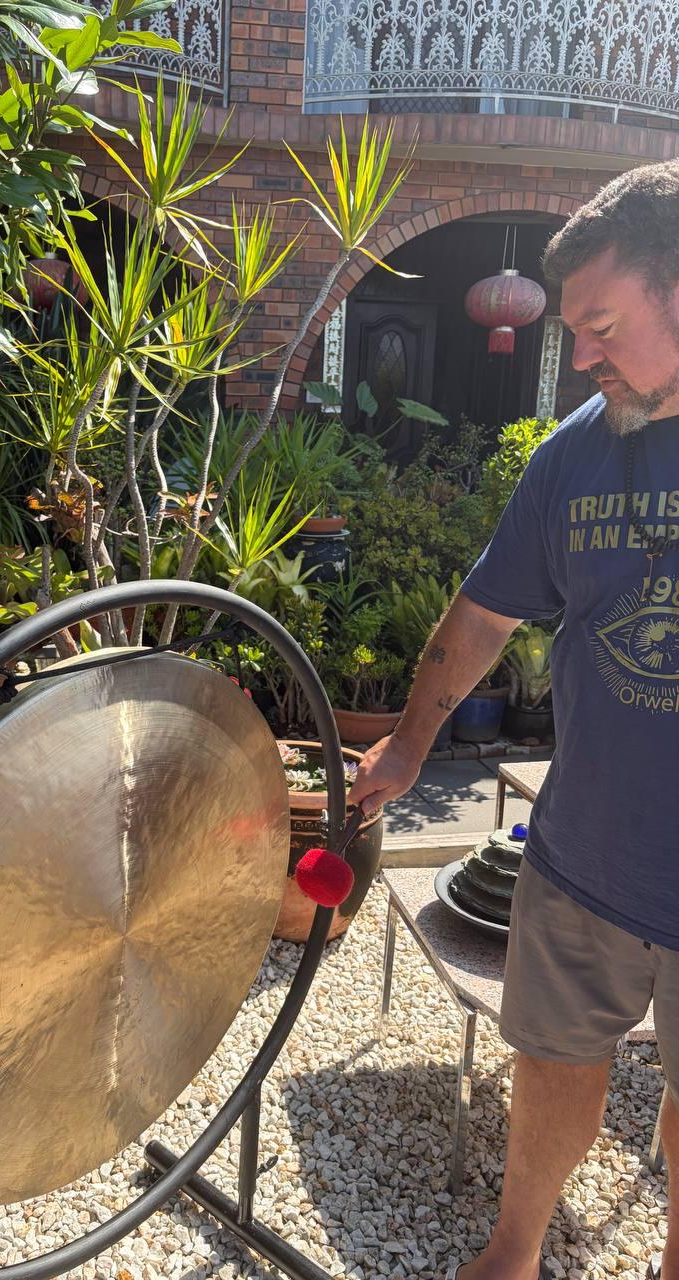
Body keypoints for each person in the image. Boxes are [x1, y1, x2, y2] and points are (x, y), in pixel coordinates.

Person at [349, 160, 679, 1280]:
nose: (581, 353)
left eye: (602, 324)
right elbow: (482, 615)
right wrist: (406, 741)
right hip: (584, 855)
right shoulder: (570, 456)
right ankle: (513, 1250)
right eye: (575, 330)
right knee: (552, 1064)